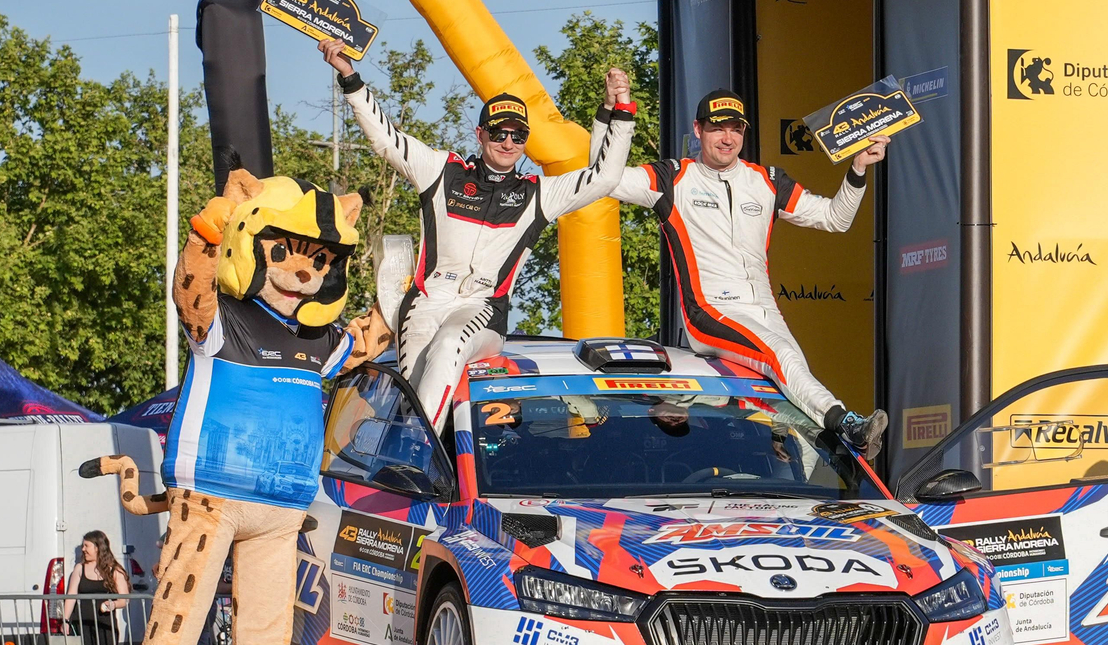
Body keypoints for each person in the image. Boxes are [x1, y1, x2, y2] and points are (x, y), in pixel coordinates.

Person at [321, 38, 636, 429]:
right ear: (481, 134)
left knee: (449, 344)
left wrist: (618, 110)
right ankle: (424, 452)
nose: (508, 142)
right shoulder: (442, 171)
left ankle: (420, 451)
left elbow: (604, 177)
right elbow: (386, 140)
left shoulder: (539, 193)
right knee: (417, 396)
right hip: (425, 304)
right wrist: (350, 78)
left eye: (518, 135)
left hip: (482, 309)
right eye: (499, 133)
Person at [608, 89, 891, 457]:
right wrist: (615, 112)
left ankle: (794, 453)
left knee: (793, 388)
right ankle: (848, 423)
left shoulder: (767, 180)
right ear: (698, 129)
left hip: (764, 309)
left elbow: (836, 219)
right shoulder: (672, 177)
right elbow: (607, 179)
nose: (727, 138)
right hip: (708, 311)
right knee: (780, 357)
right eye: (717, 128)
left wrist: (858, 169)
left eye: (736, 129)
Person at [63, 530, 132, 645]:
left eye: (86, 546)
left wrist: (112, 605)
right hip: (82, 624)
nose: (83, 549)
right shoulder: (79, 569)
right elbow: (71, 596)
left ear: (98, 547)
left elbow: (124, 599)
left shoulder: (114, 570)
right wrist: (65, 620)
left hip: (105, 625)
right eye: (83, 546)